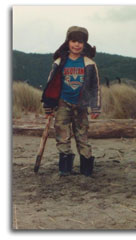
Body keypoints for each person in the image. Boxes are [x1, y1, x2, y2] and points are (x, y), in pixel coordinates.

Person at [41, 26, 101, 177]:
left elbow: (95, 87)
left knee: (82, 135)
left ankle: (86, 168)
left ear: (84, 44)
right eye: (73, 41)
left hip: (81, 105)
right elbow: (50, 85)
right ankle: (65, 168)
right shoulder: (59, 62)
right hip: (62, 103)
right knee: (62, 134)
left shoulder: (89, 63)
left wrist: (95, 107)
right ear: (68, 42)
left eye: (80, 42)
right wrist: (48, 107)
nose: (77, 45)